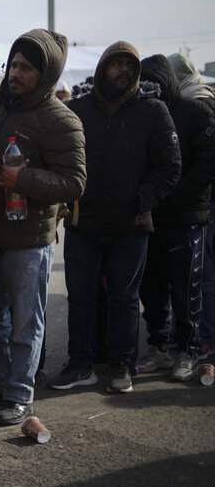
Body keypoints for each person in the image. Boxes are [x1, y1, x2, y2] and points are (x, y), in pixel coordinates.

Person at [0, 30, 86, 425]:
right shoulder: (0, 109)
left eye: (26, 68)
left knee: (25, 323)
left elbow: (75, 182)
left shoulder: (61, 119)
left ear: (45, 74)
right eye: (13, 64)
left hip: (29, 240)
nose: (15, 73)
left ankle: (19, 394)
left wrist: (24, 180)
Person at [51, 41, 180, 394]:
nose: (124, 70)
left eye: (130, 65)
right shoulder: (77, 109)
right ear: (103, 68)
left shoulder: (153, 110)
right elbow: (58, 157)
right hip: (83, 222)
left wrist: (142, 200)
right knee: (80, 296)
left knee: (124, 298)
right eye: (117, 63)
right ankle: (80, 364)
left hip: (131, 224)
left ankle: (123, 364)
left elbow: (170, 166)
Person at [135, 54, 215, 379]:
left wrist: (177, 197)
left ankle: (189, 350)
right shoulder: (142, 114)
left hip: (186, 217)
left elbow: (208, 161)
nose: (148, 88)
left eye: (154, 82)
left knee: (187, 288)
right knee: (152, 287)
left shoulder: (194, 111)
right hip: (152, 218)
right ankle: (159, 347)